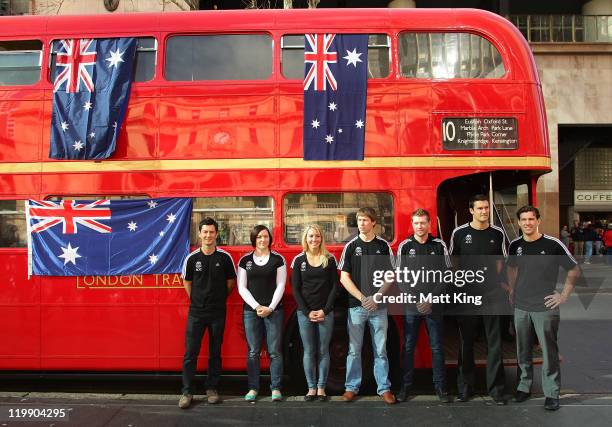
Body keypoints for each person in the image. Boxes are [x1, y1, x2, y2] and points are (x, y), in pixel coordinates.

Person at [507, 205, 579, 411]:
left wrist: (563, 295)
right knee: (522, 349)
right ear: (519, 223)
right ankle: (524, 386)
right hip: (521, 306)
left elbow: (574, 269)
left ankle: (551, 393)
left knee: (548, 351)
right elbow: (511, 268)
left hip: (545, 307)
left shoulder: (553, 244)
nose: (528, 223)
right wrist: (512, 290)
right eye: (524, 220)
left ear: (538, 220)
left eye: (531, 219)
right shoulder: (515, 245)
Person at [449, 194, 508, 404]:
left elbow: (501, 261)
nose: (484, 212)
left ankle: (497, 391)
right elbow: (453, 261)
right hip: (467, 294)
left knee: (495, 343)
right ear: (471, 210)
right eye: (480, 208)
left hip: (492, 295)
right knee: (466, 343)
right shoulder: (459, 233)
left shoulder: (498, 233)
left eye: (486, 208)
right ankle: (465, 388)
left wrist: (498, 282)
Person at [338, 207, 396, 404]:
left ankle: (384, 388)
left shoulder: (383, 246)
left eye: (365, 220)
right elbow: (344, 277)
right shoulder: (351, 246)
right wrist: (363, 298)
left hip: (379, 307)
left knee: (380, 350)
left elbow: (391, 275)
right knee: (354, 350)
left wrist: (377, 297)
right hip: (356, 307)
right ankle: (351, 388)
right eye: (359, 220)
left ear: (373, 222)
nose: (361, 223)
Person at [179, 217, 237, 409]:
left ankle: (211, 388)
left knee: (215, 352)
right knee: (190, 354)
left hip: (217, 313)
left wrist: (218, 299)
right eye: (205, 232)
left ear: (217, 234)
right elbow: (187, 283)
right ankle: (187, 391)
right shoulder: (192, 258)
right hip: (196, 313)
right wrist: (197, 299)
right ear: (200, 233)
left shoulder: (225, 258)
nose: (208, 235)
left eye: (212, 232)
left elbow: (230, 283)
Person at [396, 209, 452, 403]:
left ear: (429, 224)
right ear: (412, 225)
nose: (419, 226)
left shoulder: (439, 245)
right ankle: (405, 388)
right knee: (409, 347)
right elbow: (400, 277)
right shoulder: (405, 246)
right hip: (412, 306)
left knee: (437, 348)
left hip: (434, 306)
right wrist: (416, 301)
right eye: (416, 223)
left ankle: (441, 387)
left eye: (423, 223)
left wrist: (430, 299)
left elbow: (447, 275)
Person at [237, 225, 286, 402]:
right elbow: (241, 288)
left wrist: (271, 307)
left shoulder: (278, 260)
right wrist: (257, 306)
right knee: (253, 352)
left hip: (274, 311)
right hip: (251, 312)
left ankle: (276, 388)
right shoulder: (245, 261)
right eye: (259, 237)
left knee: (274, 352)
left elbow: (281, 285)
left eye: (265, 236)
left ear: (270, 239)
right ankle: (253, 388)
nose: (262, 240)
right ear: (254, 239)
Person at [291, 224, 339, 402]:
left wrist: (324, 310)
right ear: (305, 238)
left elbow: (335, 287)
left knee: (323, 350)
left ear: (321, 238)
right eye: (311, 236)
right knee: (309, 351)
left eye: (317, 236)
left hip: (325, 313)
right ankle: (311, 388)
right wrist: (307, 311)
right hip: (305, 314)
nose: (314, 239)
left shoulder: (329, 259)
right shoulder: (298, 260)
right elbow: (295, 289)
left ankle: (321, 388)